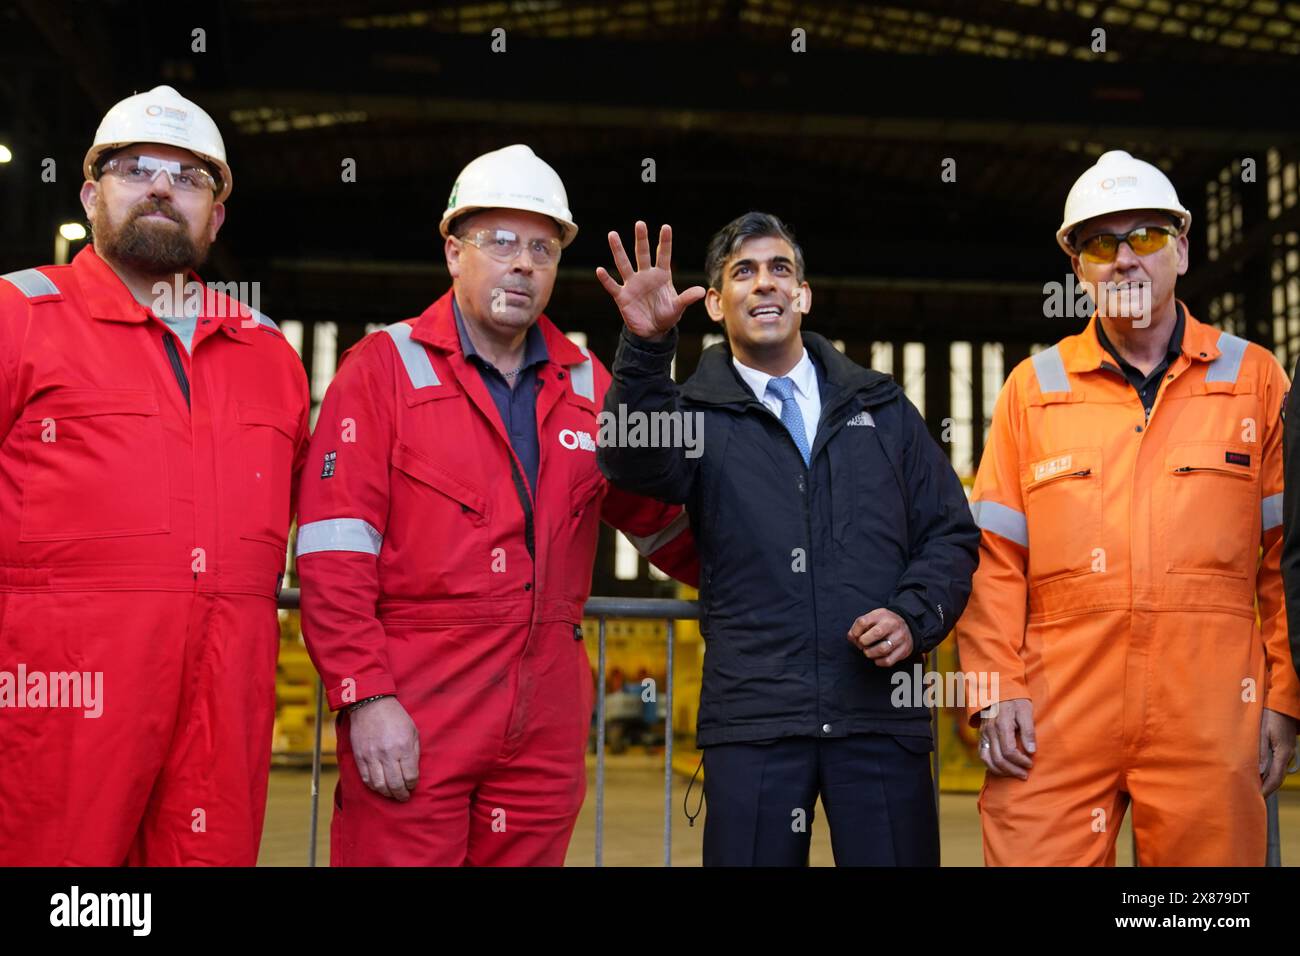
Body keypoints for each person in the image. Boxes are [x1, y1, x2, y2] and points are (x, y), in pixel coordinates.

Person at [296, 144, 698, 866]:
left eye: (542, 248)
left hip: (544, 714)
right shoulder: (381, 372)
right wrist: (363, 696)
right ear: (454, 253)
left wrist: (791, 578)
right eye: (500, 242)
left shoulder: (587, 382)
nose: (523, 263)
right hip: (418, 701)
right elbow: (334, 550)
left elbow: (661, 519)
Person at [595, 212, 979, 865]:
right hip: (756, 723)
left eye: (780, 270)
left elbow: (949, 532)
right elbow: (631, 462)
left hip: (879, 718)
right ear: (715, 304)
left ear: (803, 295)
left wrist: (914, 618)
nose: (764, 284)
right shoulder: (692, 416)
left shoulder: (881, 409)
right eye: (743, 272)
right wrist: (645, 349)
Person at [957, 149, 1300, 866]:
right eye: (1100, 243)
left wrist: (1283, 698)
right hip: (1053, 713)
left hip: (1209, 710)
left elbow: (1285, 561)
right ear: (1075, 265)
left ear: (1181, 246)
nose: (1124, 260)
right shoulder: (1033, 389)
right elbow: (993, 560)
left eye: (1144, 237)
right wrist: (992, 691)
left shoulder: (1254, 378)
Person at [0, 86, 310, 865]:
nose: (163, 187)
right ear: (89, 194)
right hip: (61, 703)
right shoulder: (19, 315)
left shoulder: (268, 354)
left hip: (222, 704)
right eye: (137, 169)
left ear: (216, 215)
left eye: (191, 176)